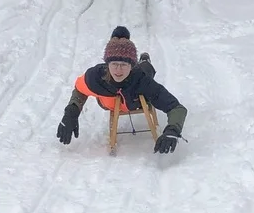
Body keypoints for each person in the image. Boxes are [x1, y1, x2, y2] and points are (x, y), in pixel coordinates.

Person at [56, 26, 188, 154]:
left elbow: (176, 107)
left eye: (124, 65)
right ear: (107, 64)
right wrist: (71, 112)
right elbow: (80, 89)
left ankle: (144, 60)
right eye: (114, 64)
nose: (118, 70)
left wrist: (173, 130)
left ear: (131, 65)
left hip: (135, 99)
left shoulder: (142, 80)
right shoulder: (96, 76)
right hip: (109, 102)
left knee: (146, 69)